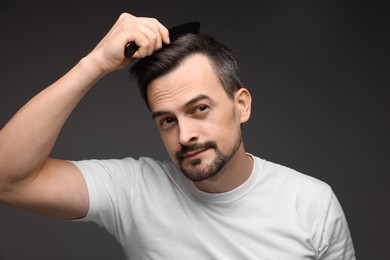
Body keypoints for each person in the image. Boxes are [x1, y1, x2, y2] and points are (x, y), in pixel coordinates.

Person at [0, 12, 355, 259]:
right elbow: (7, 179)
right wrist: (95, 62)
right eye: (167, 120)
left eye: (200, 109)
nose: (185, 135)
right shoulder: (134, 190)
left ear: (241, 106)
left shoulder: (312, 203)